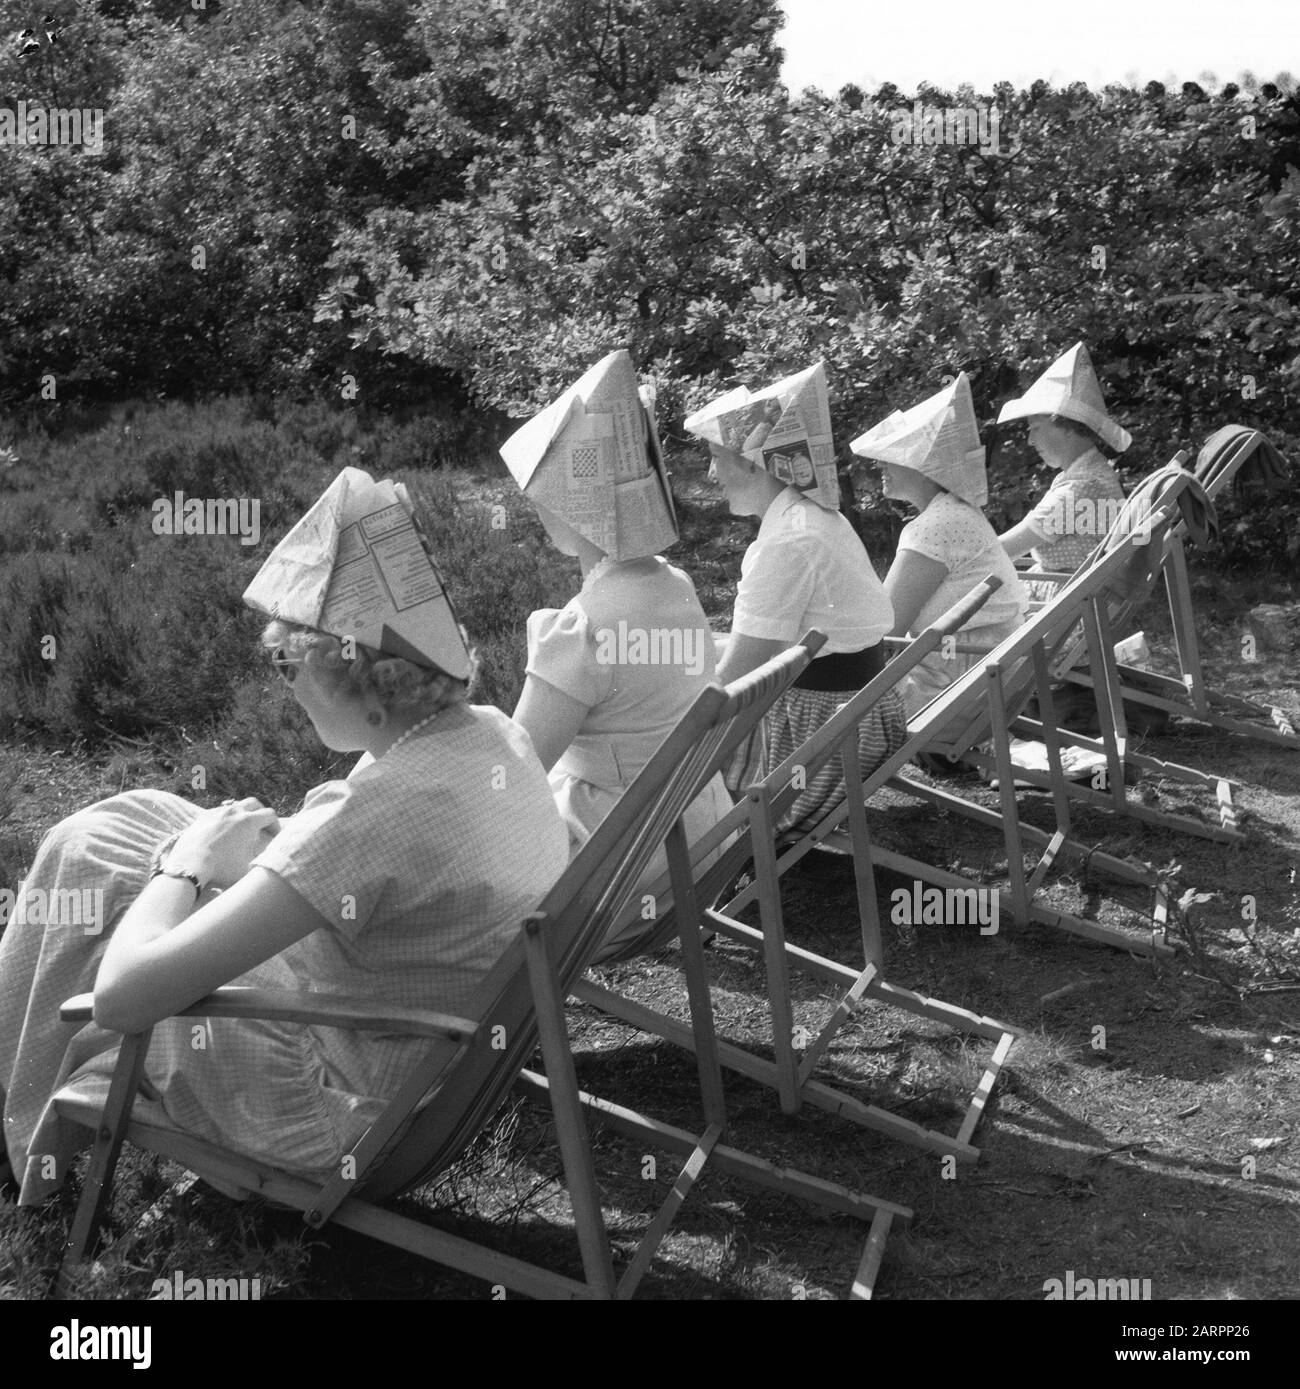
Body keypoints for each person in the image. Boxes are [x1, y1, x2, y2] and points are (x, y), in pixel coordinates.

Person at [0, 468, 568, 1205]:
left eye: (285, 662)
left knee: (107, 876)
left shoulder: (374, 812)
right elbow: (365, 853)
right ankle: (23, 1098)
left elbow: (123, 998)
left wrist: (188, 868)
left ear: (348, 664)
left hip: (334, 1112)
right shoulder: (491, 737)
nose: (282, 683)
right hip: (423, 1064)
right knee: (117, 824)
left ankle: (26, 1143)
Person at [503, 350, 731, 950]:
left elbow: (514, 773)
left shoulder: (583, 627)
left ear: (574, 506)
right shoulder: (675, 586)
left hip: (622, 867)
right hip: (697, 840)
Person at [687, 365, 904, 838]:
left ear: (750, 461)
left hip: (816, 738)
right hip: (861, 718)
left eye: (714, 457)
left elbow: (735, 679)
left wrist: (668, 719)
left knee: (672, 749)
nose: (709, 473)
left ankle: (698, 852)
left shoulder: (786, 541)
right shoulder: (814, 518)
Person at [851, 373, 1028, 718]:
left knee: (809, 685)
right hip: (990, 681)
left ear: (925, 465)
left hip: (952, 692)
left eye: (893, 456)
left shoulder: (936, 526)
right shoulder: (956, 513)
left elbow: (884, 630)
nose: (880, 465)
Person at [995, 342, 1131, 602]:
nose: (1030, 441)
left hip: (1064, 611)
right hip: (1068, 603)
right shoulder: (1088, 476)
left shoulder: (1082, 487)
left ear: (1068, 426)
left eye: (1035, 428)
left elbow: (1001, 550)